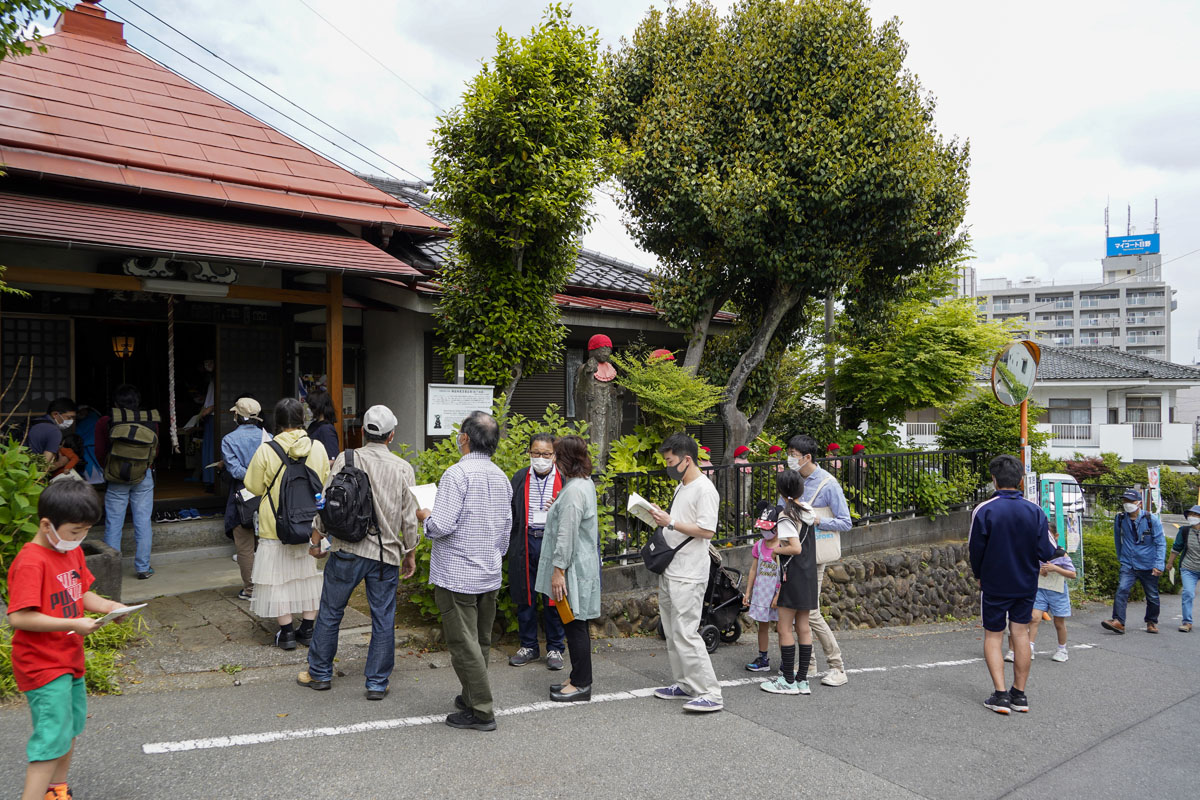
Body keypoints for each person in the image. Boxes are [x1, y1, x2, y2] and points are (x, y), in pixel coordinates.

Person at [6, 480, 128, 800]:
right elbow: (18, 617)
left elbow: (82, 592)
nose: (79, 538)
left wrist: (110, 607)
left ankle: (56, 790)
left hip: (68, 658)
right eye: (75, 531)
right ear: (47, 525)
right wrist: (72, 622)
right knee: (50, 739)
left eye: (85, 531)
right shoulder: (31, 562)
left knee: (70, 729)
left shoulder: (70, 551)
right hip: (42, 665)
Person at [299, 405, 419, 700]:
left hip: (346, 549)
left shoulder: (346, 458)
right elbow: (409, 518)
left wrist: (317, 538)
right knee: (382, 618)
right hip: (385, 556)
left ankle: (319, 673)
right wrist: (410, 551)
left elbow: (328, 503)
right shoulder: (403, 468)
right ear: (391, 435)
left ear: (363, 432)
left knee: (330, 612)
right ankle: (377, 683)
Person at [416, 411, 512, 732]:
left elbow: (441, 525)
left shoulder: (457, 475)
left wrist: (425, 516)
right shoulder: (501, 476)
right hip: (489, 571)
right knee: (480, 640)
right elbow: (505, 531)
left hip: (458, 573)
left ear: (465, 439)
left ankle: (482, 709)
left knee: (463, 643)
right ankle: (471, 695)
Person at [969, 454, 1057, 715]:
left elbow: (975, 549)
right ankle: (1019, 694)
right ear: (1020, 480)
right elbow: (1048, 550)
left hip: (995, 582)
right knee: (1020, 634)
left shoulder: (984, 510)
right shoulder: (1035, 511)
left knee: (993, 636)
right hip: (1025, 583)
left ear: (993, 480)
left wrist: (979, 574)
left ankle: (1000, 695)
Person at [647, 433, 723, 713]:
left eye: (670, 460)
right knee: (672, 631)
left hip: (689, 573)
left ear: (686, 459)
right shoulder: (682, 486)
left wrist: (672, 521)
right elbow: (679, 524)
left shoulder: (705, 489)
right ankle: (685, 683)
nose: (668, 465)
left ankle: (710, 693)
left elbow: (706, 530)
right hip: (672, 569)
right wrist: (663, 518)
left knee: (687, 632)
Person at [244, 397, 328, 649]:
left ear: (277, 423)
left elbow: (253, 486)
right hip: (310, 523)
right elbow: (324, 480)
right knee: (309, 576)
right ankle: (308, 629)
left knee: (277, 579)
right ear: (303, 420)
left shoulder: (267, 450)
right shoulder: (318, 447)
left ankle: (287, 633)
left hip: (275, 526)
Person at [535, 435, 600, 702]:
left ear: (564, 459)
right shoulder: (582, 484)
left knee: (574, 624)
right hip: (580, 564)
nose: (551, 460)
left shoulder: (573, 490)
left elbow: (567, 534)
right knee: (576, 622)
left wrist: (558, 570)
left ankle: (582, 683)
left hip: (572, 568)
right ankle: (576, 677)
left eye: (554, 456)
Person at [786, 434, 851, 687]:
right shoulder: (795, 479)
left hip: (814, 556)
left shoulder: (828, 484)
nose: (790, 459)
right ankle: (809, 663)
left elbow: (845, 521)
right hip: (795, 553)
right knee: (799, 612)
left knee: (810, 612)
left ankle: (837, 666)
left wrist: (817, 520)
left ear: (807, 457)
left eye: (793, 454)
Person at [507, 433, 566, 670]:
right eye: (536, 453)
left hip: (552, 542)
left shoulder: (564, 479)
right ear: (529, 453)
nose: (540, 458)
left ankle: (555, 648)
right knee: (526, 596)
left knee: (554, 597)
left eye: (546, 454)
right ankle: (529, 645)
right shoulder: (520, 478)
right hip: (526, 540)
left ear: (554, 455)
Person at [761, 471, 820, 696]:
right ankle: (802, 680)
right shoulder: (807, 510)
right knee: (803, 627)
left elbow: (795, 548)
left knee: (784, 627)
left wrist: (776, 549)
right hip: (808, 575)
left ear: (782, 491)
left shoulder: (786, 516)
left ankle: (787, 681)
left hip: (793, 574)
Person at [96, 384, 158, 580]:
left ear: (115, 403)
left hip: (116, 477)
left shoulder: (106, 421)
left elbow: (99, 452)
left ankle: (111, 570)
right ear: (138, 402)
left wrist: (110, 469)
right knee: (143, 521)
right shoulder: (151, 421)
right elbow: (155, 451)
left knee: (113, 523)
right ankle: (143, 568)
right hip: (143, 475)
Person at [220, 396, 268, 601]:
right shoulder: (269, 437)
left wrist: (249, 474)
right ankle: (268, 585)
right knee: (266, 541)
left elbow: (234, 470)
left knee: (245, 544)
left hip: (242, 493)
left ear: (237, 416)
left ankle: (251, 589)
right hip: (266, 493)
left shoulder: (229, 440)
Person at [1102, 489, 1166, 635]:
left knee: (1152, 595)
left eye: (1130, 501)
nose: (1127, 504)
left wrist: (1159, 564)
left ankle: (1151, 621)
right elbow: (1118, 540)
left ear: (1139, 503)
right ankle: (1118, 622)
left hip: (1148, 564)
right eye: (1125, 501)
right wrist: (1121, 558)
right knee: (1122, 590)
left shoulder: (1151, 520)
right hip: (1128, 563)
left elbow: (1161, 543)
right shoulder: (1120, 519)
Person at [1008, 529, 1077, 663]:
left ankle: (1062, 649)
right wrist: (1040, 571)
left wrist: (1055, 568)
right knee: (1034, 618)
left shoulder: (1061, 553)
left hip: (1058, 592)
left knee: (1059, 622)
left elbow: (1073, 574)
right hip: (1040, 590)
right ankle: (1030, 647)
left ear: (1056, 536)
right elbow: (1029, 570)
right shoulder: (1035, 553)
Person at [743, 502, 781, 673]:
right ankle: (763, 658)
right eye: (763, 528)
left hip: (777, 594)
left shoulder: (784, 547)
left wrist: (779, 594)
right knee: (762, 626)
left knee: (782, 628)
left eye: (769, 528)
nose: (765, 532)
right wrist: (748, 592)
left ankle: (785, 661)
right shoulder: (759, 545)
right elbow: (753, 570)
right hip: (761, 594)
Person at [1165, 505, 1200, 633]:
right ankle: (1187, 622)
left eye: (1196, 515)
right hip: (1188, 568)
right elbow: (1176, 548)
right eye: (1191, 515)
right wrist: (1170, 563)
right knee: (1188, 593)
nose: (1193, 517)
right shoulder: (1184, 531)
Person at [26, 397, 76, 474]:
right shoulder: (54, 432)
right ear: (55, 414)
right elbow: (42, 468)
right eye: (69, 417)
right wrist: (61, 463)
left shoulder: (34, 422)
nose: (71, 421)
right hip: (28, 476)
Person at [306, 391, 340, 463]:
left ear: (317, 406)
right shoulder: (313, 425)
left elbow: (333, 460)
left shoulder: (326, 429)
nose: (307, 409)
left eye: (310, 406)